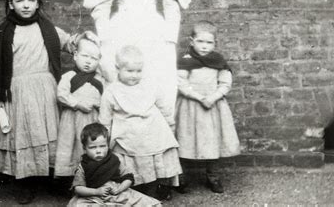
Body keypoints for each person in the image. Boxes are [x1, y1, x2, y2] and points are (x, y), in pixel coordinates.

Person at [0, 0, 97, 204]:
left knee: (49, 134)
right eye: (20, 0)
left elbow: (69, 43)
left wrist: (83, 38)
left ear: (38, 3)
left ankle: (53, 178)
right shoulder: (4, 33)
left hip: (45, 90)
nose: (26, 5)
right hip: (18, 91)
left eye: (31, 0)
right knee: (23, 135)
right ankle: (25, 182)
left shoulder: (47, 28)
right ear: (10, 4)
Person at [99, 45, 182, 200]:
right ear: (118, 68)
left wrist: (170, 123)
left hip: (153, 129)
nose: (134, 75)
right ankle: (138, 187)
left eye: (138, 71)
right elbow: (105, 119)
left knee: (159, 155)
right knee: (131, 163)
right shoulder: (111, 91)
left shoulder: (149, 85)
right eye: (129, 71)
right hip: (128, 135)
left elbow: (163, 105)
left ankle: (162, 185)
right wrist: (105, 140)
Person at [174, 21, 241, 194]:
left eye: (209, 42)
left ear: (215, 43)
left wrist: (213, 97)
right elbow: (181, 83)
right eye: (200, 42)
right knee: (185, 140)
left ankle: (213, 177)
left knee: (213, 141)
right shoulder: (186, 61)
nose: (204, 46)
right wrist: (199, 97)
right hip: (190, 107)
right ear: (192, 41)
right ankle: (182, 178)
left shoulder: (218, 61)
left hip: (213, 107)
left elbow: (225, 83)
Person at [67, 123, 161, 206]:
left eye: (102, 146)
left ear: (108, 145)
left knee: (146, 203)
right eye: (93, 147)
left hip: (117, 194)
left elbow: (128, 178)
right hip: (93, 196)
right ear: (85, 148)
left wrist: (120, 188)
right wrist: (96, 192)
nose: (98, 151)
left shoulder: (114, 160)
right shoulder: (83, 165)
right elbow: (78, 188)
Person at [54, 37, 103, 184]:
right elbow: (61, 95)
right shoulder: (69, 77)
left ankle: (91, 178)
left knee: (91, 146)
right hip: (72, 120)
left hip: (92, 120)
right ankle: (71, 180)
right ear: (75, 56)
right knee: (71, 146)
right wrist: (77, 103)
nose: (88, 61)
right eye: (84, 56)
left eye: (93, 58)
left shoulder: (100, 80)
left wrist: (96, 104)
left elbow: (105, 99)